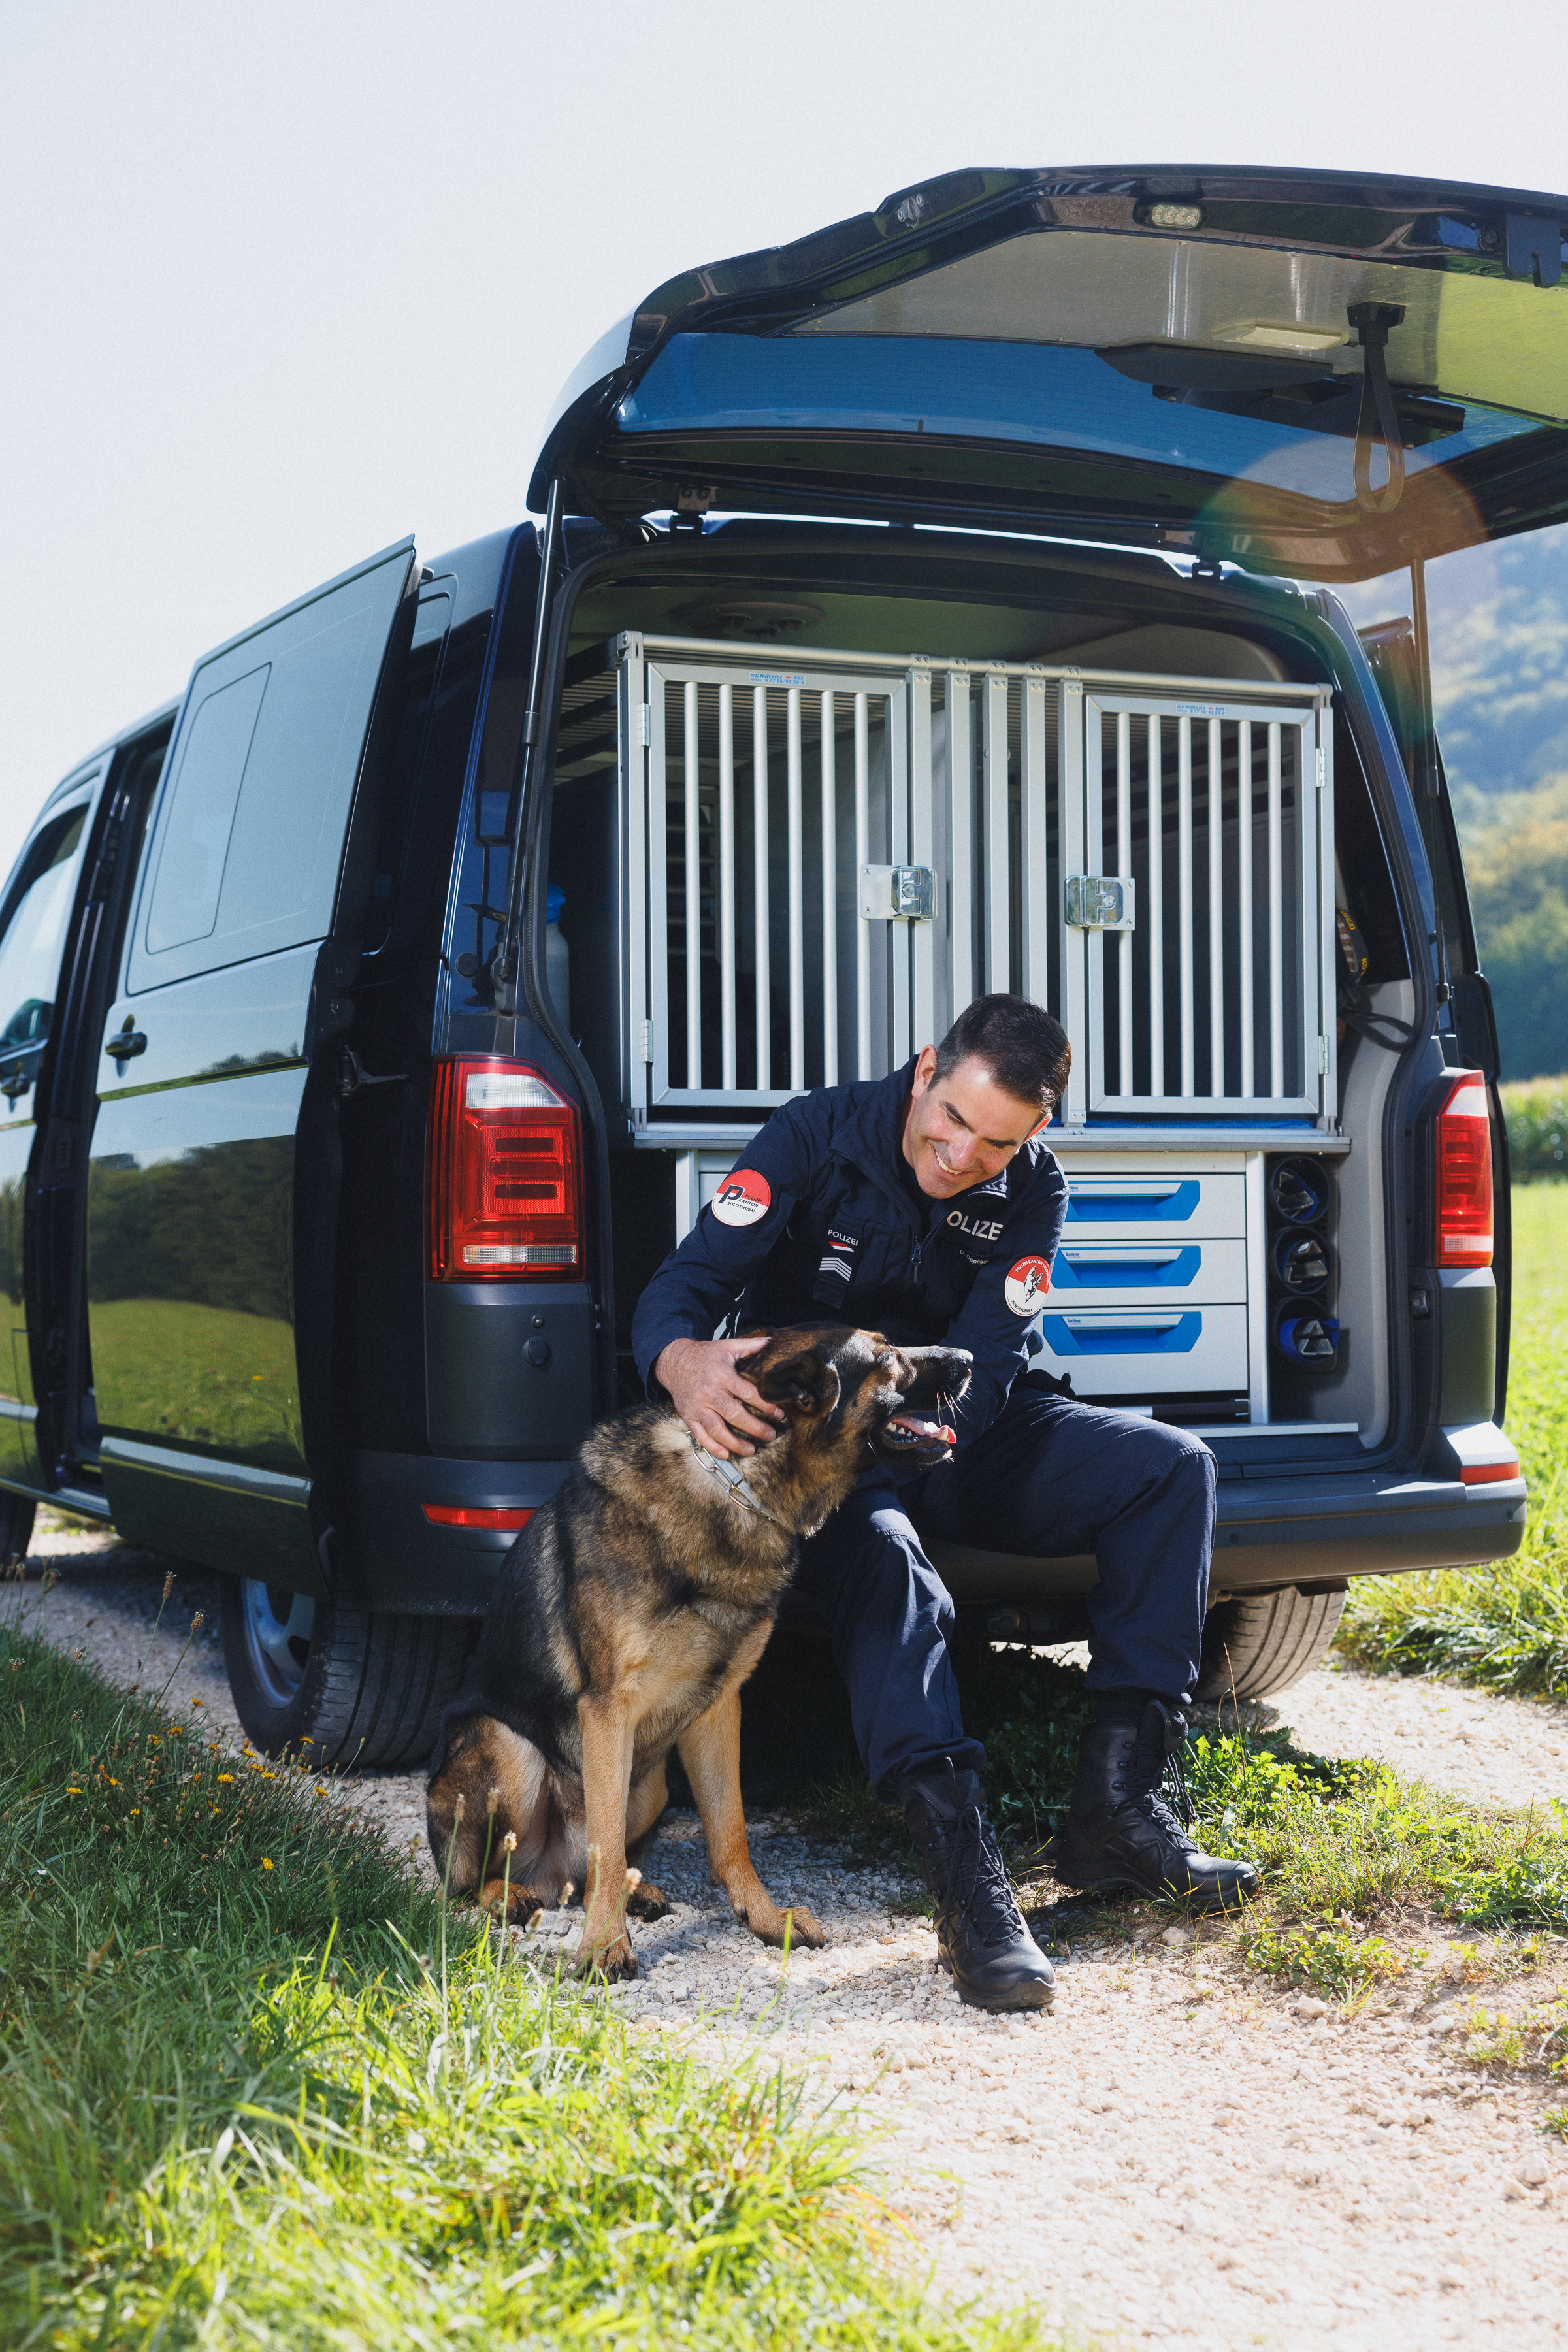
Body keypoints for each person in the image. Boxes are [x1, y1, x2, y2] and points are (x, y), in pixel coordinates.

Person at [632, 994, 1257, 2013]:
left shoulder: (1033, 1187)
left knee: (1170, 1467)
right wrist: (682, 1359)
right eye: (951, 1120)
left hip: (952, 1422)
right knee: (890, 1568)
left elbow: (995, 1354)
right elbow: (689, 1283)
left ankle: (1118, 1817)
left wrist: (939, 1435)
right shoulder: (813, 1135)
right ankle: (970, 1893)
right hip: (824, 1448)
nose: (962, 1154)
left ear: (1036, 1131)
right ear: (927, 1068)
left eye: (995, 1140)